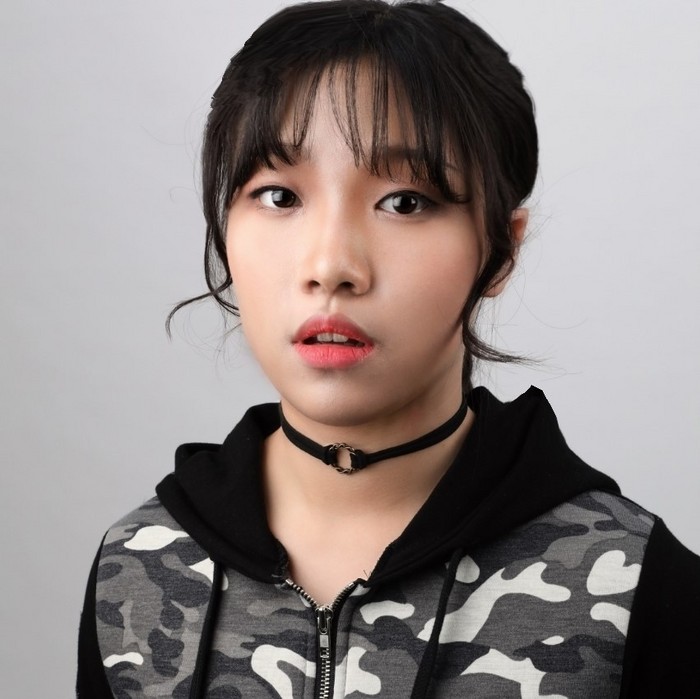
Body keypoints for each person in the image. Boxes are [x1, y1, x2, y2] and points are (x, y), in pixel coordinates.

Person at [77, 1, 700, 696]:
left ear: (501, 250)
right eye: (279, 196)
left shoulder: (634, 585)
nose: (331, 265)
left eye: (405, 202)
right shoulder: (136, 570)